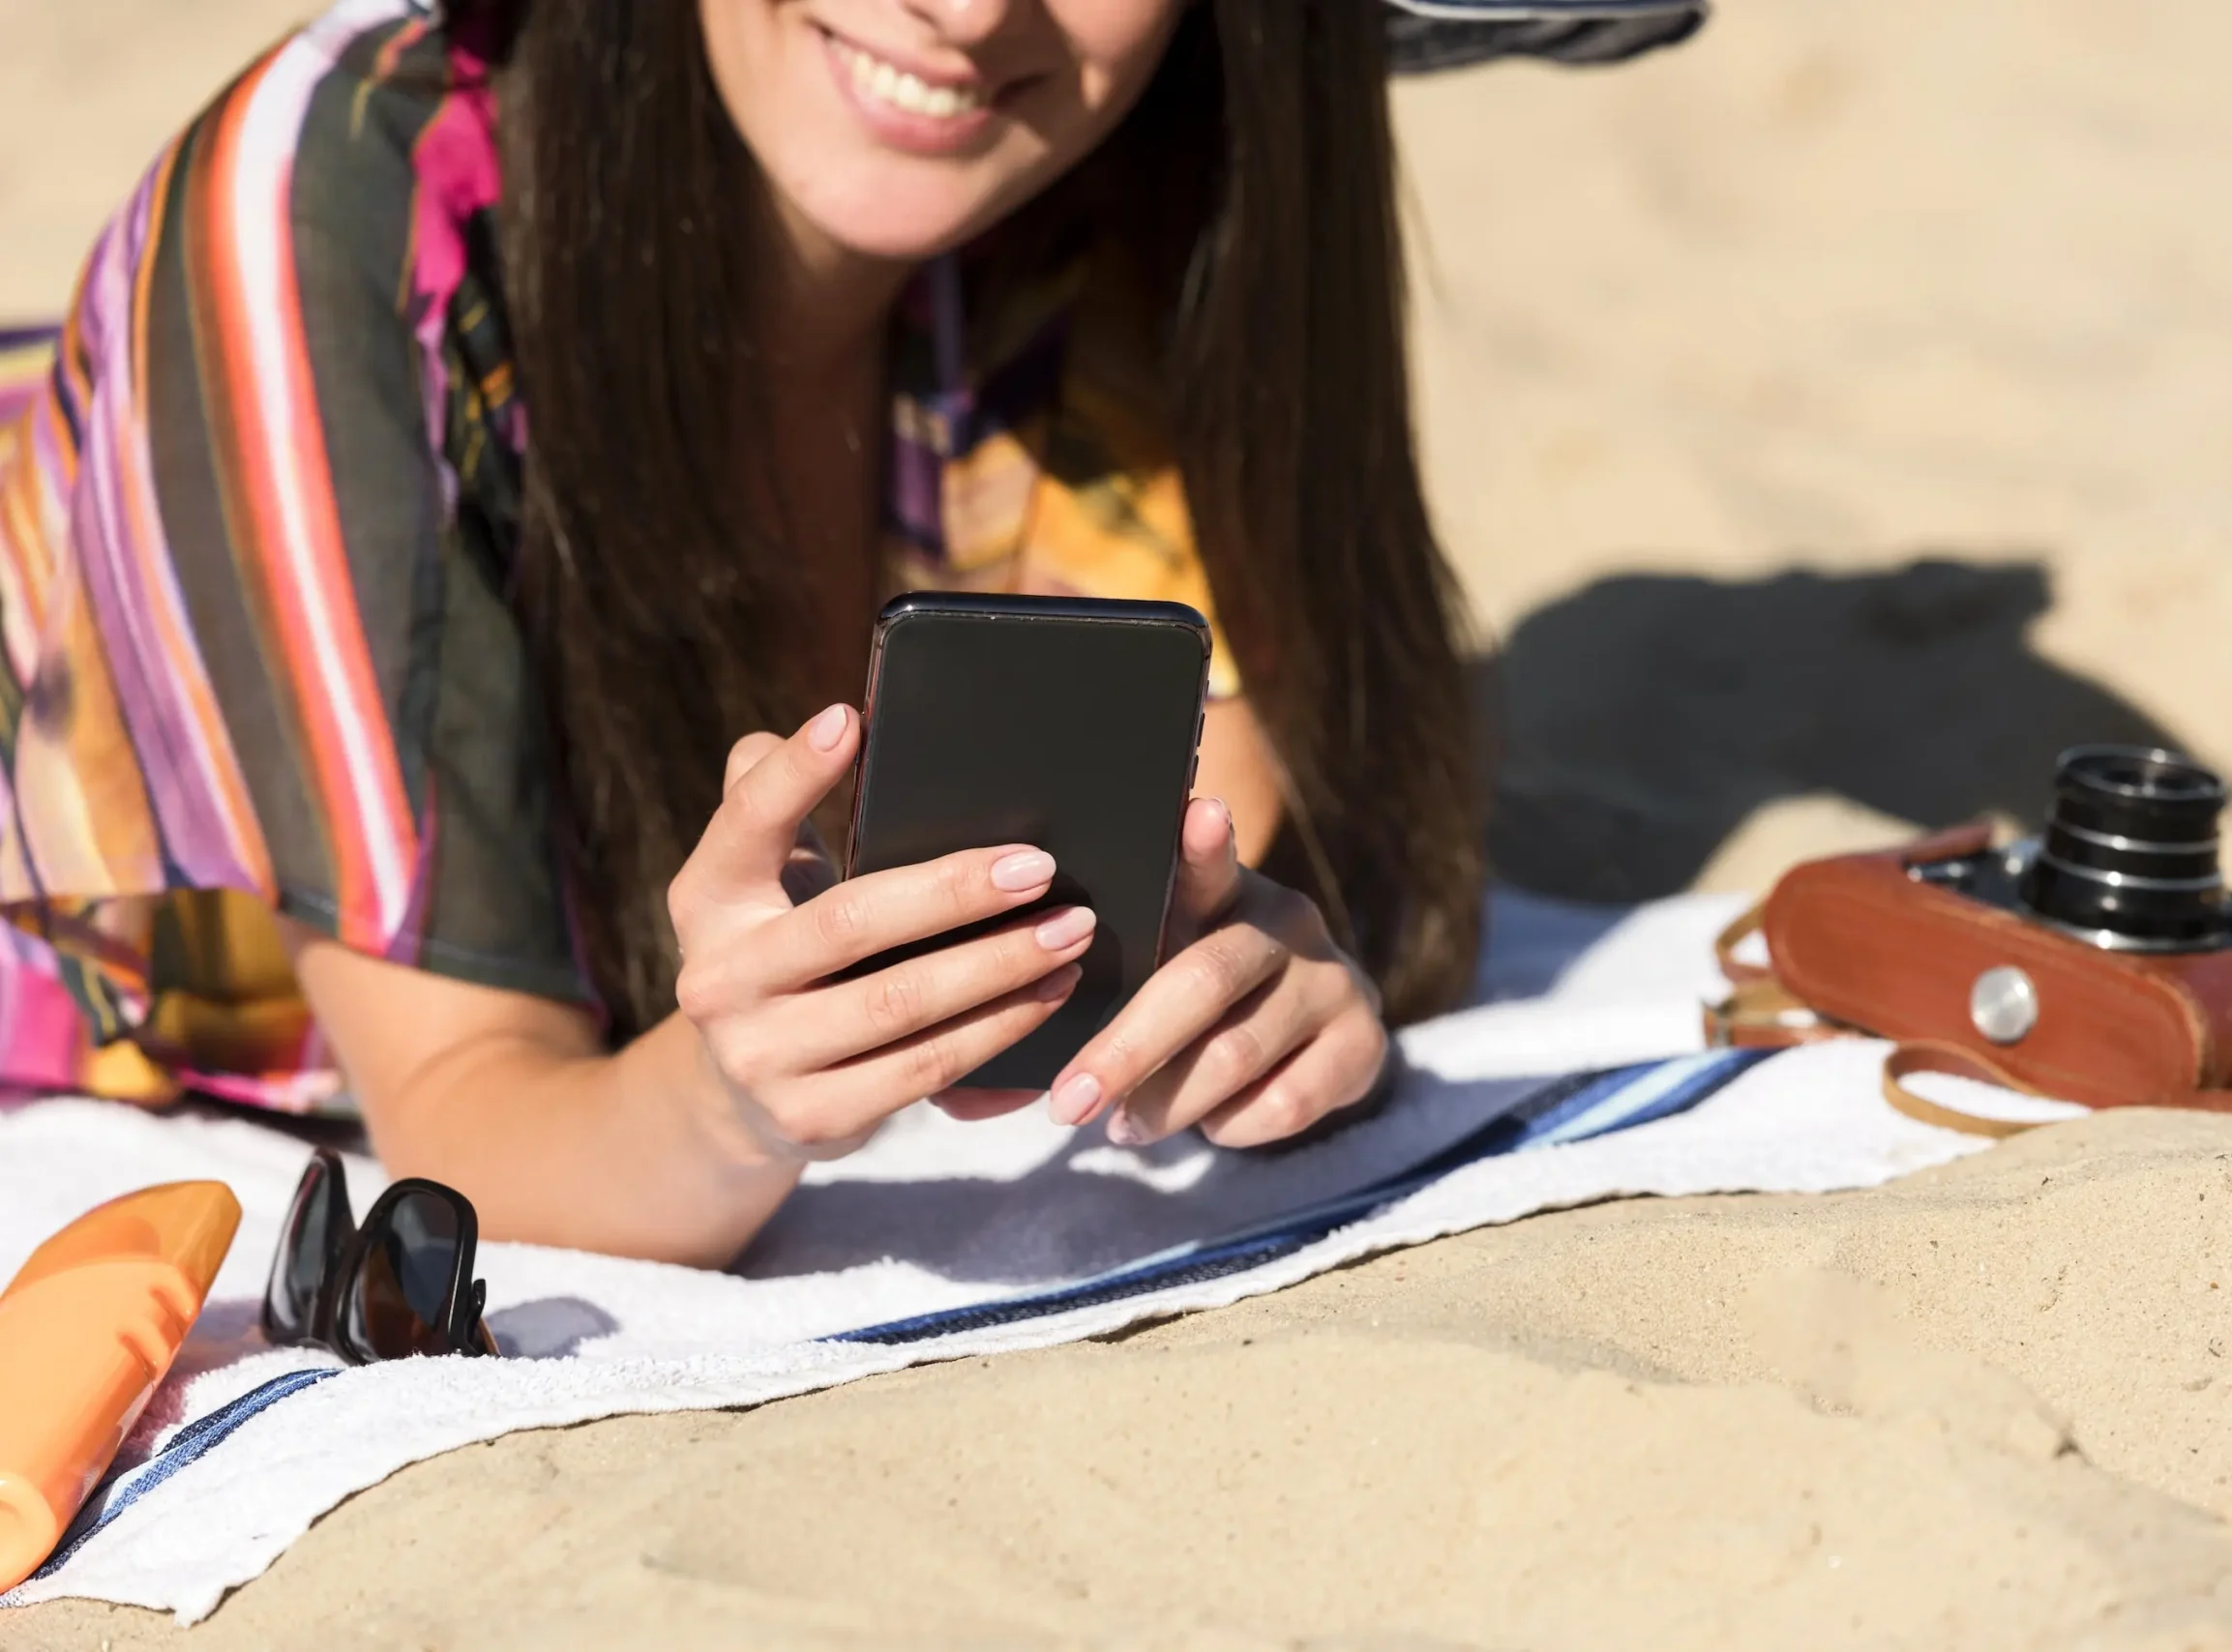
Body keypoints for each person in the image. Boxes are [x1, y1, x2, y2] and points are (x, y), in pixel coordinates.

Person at [0, 0, 1700, 1265]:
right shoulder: (339, 219)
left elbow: (1242, 840)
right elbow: (466, 1129)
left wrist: (1268, 986)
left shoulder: (1114, 181)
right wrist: (734, 1097)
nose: (965, 14)